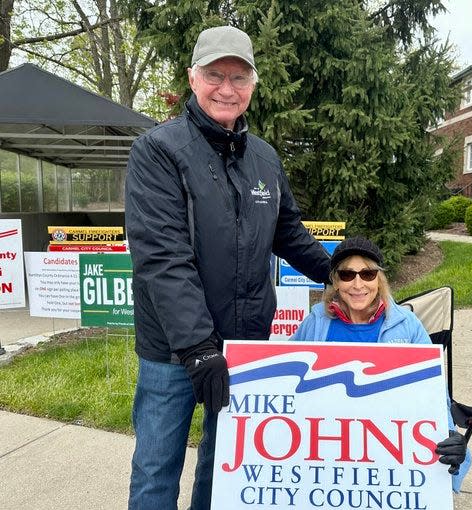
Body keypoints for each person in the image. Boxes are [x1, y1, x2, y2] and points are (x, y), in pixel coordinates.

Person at [124, 25, 330, 510]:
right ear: (194, 79)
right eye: (215, 74)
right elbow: (162, 257)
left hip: (244, 346)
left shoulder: (264, 157)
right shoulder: (157, 151)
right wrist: (197, 348)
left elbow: (288, 231)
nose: (226, 88)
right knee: (156, 473)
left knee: (224, 472)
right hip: (173, 352)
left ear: (253, 87)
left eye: (239, 78)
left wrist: (340, 271)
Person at [291, 236, 472, 491]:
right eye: (347, 275)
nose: (357, 284)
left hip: (384, 460)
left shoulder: (407, 326)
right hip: (324, 453)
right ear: (335, 281)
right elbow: (285, 378)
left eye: (367, 274)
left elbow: (433, 394)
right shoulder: (316, 322)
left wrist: (452, 439)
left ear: (379, 279)